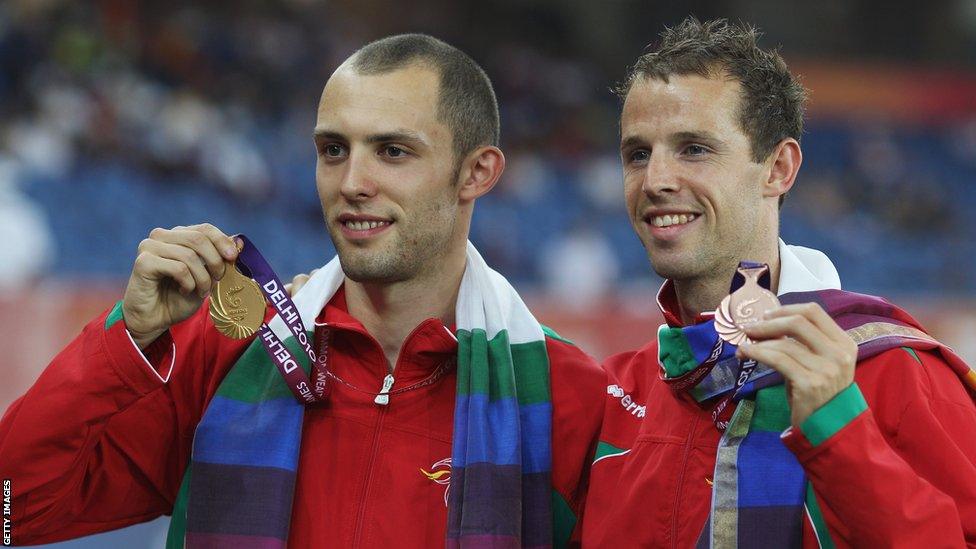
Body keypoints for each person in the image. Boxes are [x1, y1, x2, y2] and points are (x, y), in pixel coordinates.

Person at [0, 34, 604, 548]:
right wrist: (126, 342)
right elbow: (10, 509)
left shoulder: (561, 394)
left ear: (477, 172)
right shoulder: (227, 354)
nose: (352, 183)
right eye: (333, 150)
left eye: (392, 152)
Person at [581, 18, 976, 548]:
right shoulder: (613, 395)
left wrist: (841, 434)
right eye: (638, 154)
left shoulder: (896, 375)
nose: (656, 181)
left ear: (778, 168)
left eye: (695, 148)